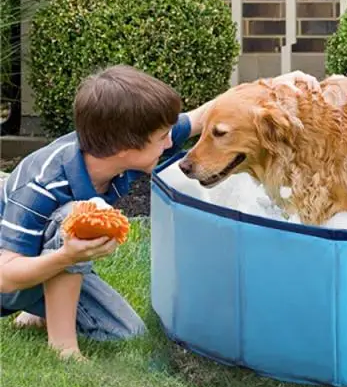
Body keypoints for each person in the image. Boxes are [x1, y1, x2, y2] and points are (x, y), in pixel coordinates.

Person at [0, 65, 214, 360]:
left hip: (45, 260)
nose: (169, 143)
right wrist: (68, 256)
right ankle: (63, 347)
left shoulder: (117, 147)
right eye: (162, 137)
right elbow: (5, 277)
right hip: (9, 280)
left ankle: (38, 310)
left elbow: (202, 117)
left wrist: (274, 86)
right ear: (125, 147)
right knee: (75, 214)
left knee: (126, 335)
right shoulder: (42, 184)